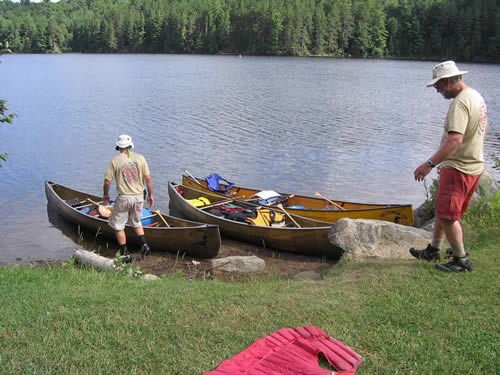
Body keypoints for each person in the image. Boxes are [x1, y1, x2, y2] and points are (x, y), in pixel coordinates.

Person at [410, 61, 488, 272]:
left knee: (448, 215)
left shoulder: (460, 103)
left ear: (447, 82)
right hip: (473, 165)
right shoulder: (476, 97)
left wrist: (428, 164)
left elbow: (454, 140)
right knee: (443, 211)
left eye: (438, 86)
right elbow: (484, 126)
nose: (437, 90)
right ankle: (433, 249)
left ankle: (461, 260)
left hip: (459, 168)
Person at [103, 134, 154, 262]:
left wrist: (106, 195)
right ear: (130, 146)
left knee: (118, 225)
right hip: (139, 197)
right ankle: (145, 245)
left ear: (118, 147)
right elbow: (148, 179)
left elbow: (107, 181)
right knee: (136, 222)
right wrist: (151, 195)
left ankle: (125, 254)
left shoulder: (115, 161)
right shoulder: (141, 158)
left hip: (125, 197)